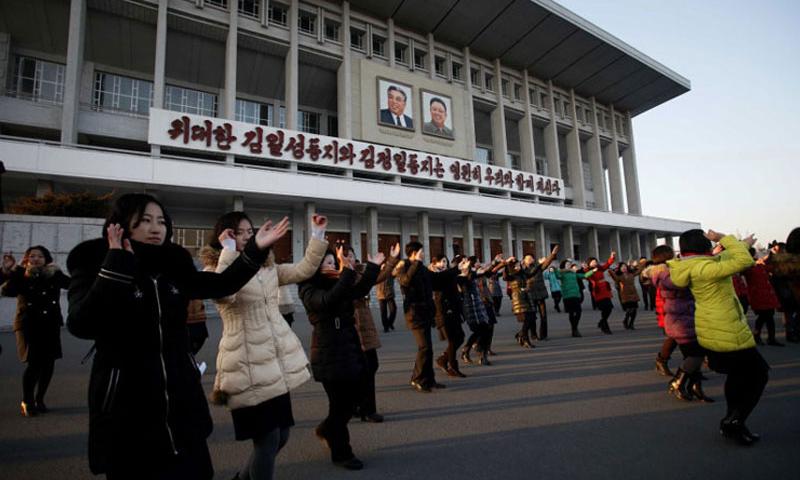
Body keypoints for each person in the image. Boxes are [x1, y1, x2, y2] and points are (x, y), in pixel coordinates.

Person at [67, 193, 286, 479]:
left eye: (161, 221)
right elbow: (82, 324)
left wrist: (255, 249)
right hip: (128, 403)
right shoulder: (94, 261)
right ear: (120, 225)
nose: (156, 228)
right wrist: (117, 263)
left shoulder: (174, 264)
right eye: (145, 220)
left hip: (181, 396)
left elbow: (223, 284)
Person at [202, 211, 328, 480]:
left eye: (249, 231)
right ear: (223, 237)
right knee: (268, 439)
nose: (246, 236)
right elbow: (224, 292)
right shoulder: (214, 268)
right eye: (239, 232)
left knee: (281, 435)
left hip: (273, 362)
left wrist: (317, 236)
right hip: (243, 362)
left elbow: (304, 269)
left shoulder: (267, 267)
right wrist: (230, 253)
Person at [668, 229, 767, 446]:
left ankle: (733, 420)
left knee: (737, 376)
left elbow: (725, 257)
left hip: (715, 327)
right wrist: (722, 237)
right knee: (759, 374)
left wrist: (741, 242)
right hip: (726, 329)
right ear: (704, 246)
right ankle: (734, 420)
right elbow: (742, 260)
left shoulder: (695, 265)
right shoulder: (704, 268)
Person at [298, 246, 381, 470]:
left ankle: (326, 429)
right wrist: (346, 273)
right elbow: (327, 301)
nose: (332, 266)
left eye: (333, 262)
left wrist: (373, 267)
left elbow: (359, 289)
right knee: (340, 405)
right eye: (327, 263)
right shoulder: (308, 287)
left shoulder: (340, 281)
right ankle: (342, 452)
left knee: (355, 397)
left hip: (350, 347)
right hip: (329, 352)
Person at [2, 246, 70, 417]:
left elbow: (71, 284)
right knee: (34, 363)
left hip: (50, 324)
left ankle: (40, 398)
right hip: (27, 325)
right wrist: (14, 270)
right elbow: (8, 290)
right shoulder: (22, 275)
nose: (36, 259)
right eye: (32, 256)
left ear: (47, 259)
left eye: (40, 256)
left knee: (48, 364)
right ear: (26, 259)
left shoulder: (54, 274)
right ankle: (27, 400)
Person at [647, 245, 713, 403]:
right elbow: (681, 282)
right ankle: (678, 382)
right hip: (681, 320)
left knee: (692, 356)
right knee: (696, 354)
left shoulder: (668, 270)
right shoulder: (665, 273)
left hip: (685, 318)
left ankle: (695, 388)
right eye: (673, 255)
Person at [350, 243, 400, 423]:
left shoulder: (360, 270)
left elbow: (381, 275)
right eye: (344, 256)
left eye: (351, 255)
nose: (349, 260)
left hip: (365, 322)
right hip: (350, 327)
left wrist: (392, 259)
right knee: (364, 368)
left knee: (371, 365)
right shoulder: (338, 277)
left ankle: (357, 405)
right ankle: (366, 409)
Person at [396, 241, 452, 392]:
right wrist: (415, 263)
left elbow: (436, 281)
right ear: (414, 253)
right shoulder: (405, 266)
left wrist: (455, 271)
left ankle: (429, 379)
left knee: (429, 348)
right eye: (421, 251)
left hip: (427, 312)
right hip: (414, 313)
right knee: (424, 347)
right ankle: (417, 379)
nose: (424, 254)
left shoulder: (422, 268)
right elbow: (405, 281)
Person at [430, 255, 466, 377]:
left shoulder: (448, 274)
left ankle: (443, 359)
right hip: (444, 312)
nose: (444, 263)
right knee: (452, 340)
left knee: (460, 337)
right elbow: (440, 285)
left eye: (445, 261)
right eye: (441, 261)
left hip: (454, 310)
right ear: (435, 264)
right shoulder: (436, 275)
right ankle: (453, 366)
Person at [743, 248, 783, 347]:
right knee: (763, 317)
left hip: (767, 294)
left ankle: (770, 338)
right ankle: (758, 337)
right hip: (758, 295)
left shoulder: (760, 264)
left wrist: (768, 259)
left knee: (769, 316)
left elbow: (771, 268)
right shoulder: (747, 265)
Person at [765, 229, 800, 343]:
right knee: (790, 312)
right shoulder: (786, 258)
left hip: (784, 290)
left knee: (788, 313)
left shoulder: (778, 258)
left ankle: (791, 332)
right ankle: (792, 332)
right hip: (789, 289)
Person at [584, 252, 617, 334]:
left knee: (609, 308)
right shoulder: (588, 270)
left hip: (605, 290)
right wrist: (592, 271)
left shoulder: (600, 268)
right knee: (604, 309)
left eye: (595, 261)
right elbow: (586, 276)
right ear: (589, 264)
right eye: (593, 262)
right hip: (598, 291)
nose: (595, 263)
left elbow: (607, 264)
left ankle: (602, 322)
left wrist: (612, 257)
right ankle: (605, 327)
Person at [525, 255, 551, 340]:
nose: (529, 260)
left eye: (530, 258)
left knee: (543, 316)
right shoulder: (523, 270)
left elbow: (547, 263)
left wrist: (552, 255)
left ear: (533, 259)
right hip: (530, 296)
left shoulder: (539, 267)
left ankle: (543, 335)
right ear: (524, 261)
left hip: (540, 294)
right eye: (527, 259)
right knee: (532, 317)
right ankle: (533, 335)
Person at [608, 261, 641, 330]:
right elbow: (615, 278)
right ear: (619, 269)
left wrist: (635, 266)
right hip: (625, 294)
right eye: (622, 267)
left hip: (633, 293)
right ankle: (625, 320)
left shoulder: (631, 274)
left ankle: (631, 323)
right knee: (629, 309)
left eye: (625, 267)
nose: (624, 268)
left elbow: (639, 271)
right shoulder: (619, 276)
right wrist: (610, 271)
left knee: (634, 309)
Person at [555, 260, 583, 337]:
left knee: (578, 312)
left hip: (576, 295)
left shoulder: (574, 273)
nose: (569, 265)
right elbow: (556, 273)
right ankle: (574, 330)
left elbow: (584, 275)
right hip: (567, 296)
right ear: (564, 265)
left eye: (570, 264)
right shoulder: (562, 273)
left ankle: (575, 328)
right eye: (567, 264)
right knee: (571, 313)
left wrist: (593, 271)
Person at [376, 261, 397, 332]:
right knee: (383, 312)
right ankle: (386, 327)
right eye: (383, 267)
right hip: (381, 294)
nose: (384, 268)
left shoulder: (390, 273)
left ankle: (390, 323)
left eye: (385, 267)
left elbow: (395, 273)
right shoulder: (378, 273)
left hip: (389, 294)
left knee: (393, 310)